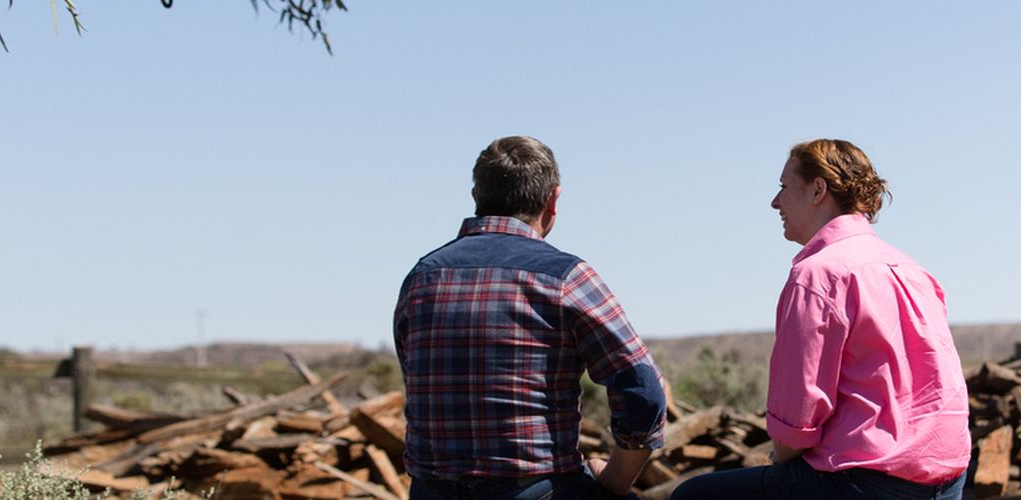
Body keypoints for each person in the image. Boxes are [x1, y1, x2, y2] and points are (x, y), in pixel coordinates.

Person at [672, 139, 969, 500]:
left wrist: (779, 457)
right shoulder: (914, 271)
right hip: (947, 479)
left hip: (864, 481)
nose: (775, 201)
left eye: (783, 186)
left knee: (692, 495)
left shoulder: (818, 274)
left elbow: (796, 421)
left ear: (817, 189)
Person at [394, 136, 668, 500]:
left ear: (477, 196)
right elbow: (646, 392)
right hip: (538, 490)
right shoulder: (566, 278)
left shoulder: (421, 279)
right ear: (553, 200)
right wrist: (616, 479)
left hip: (431, 491)